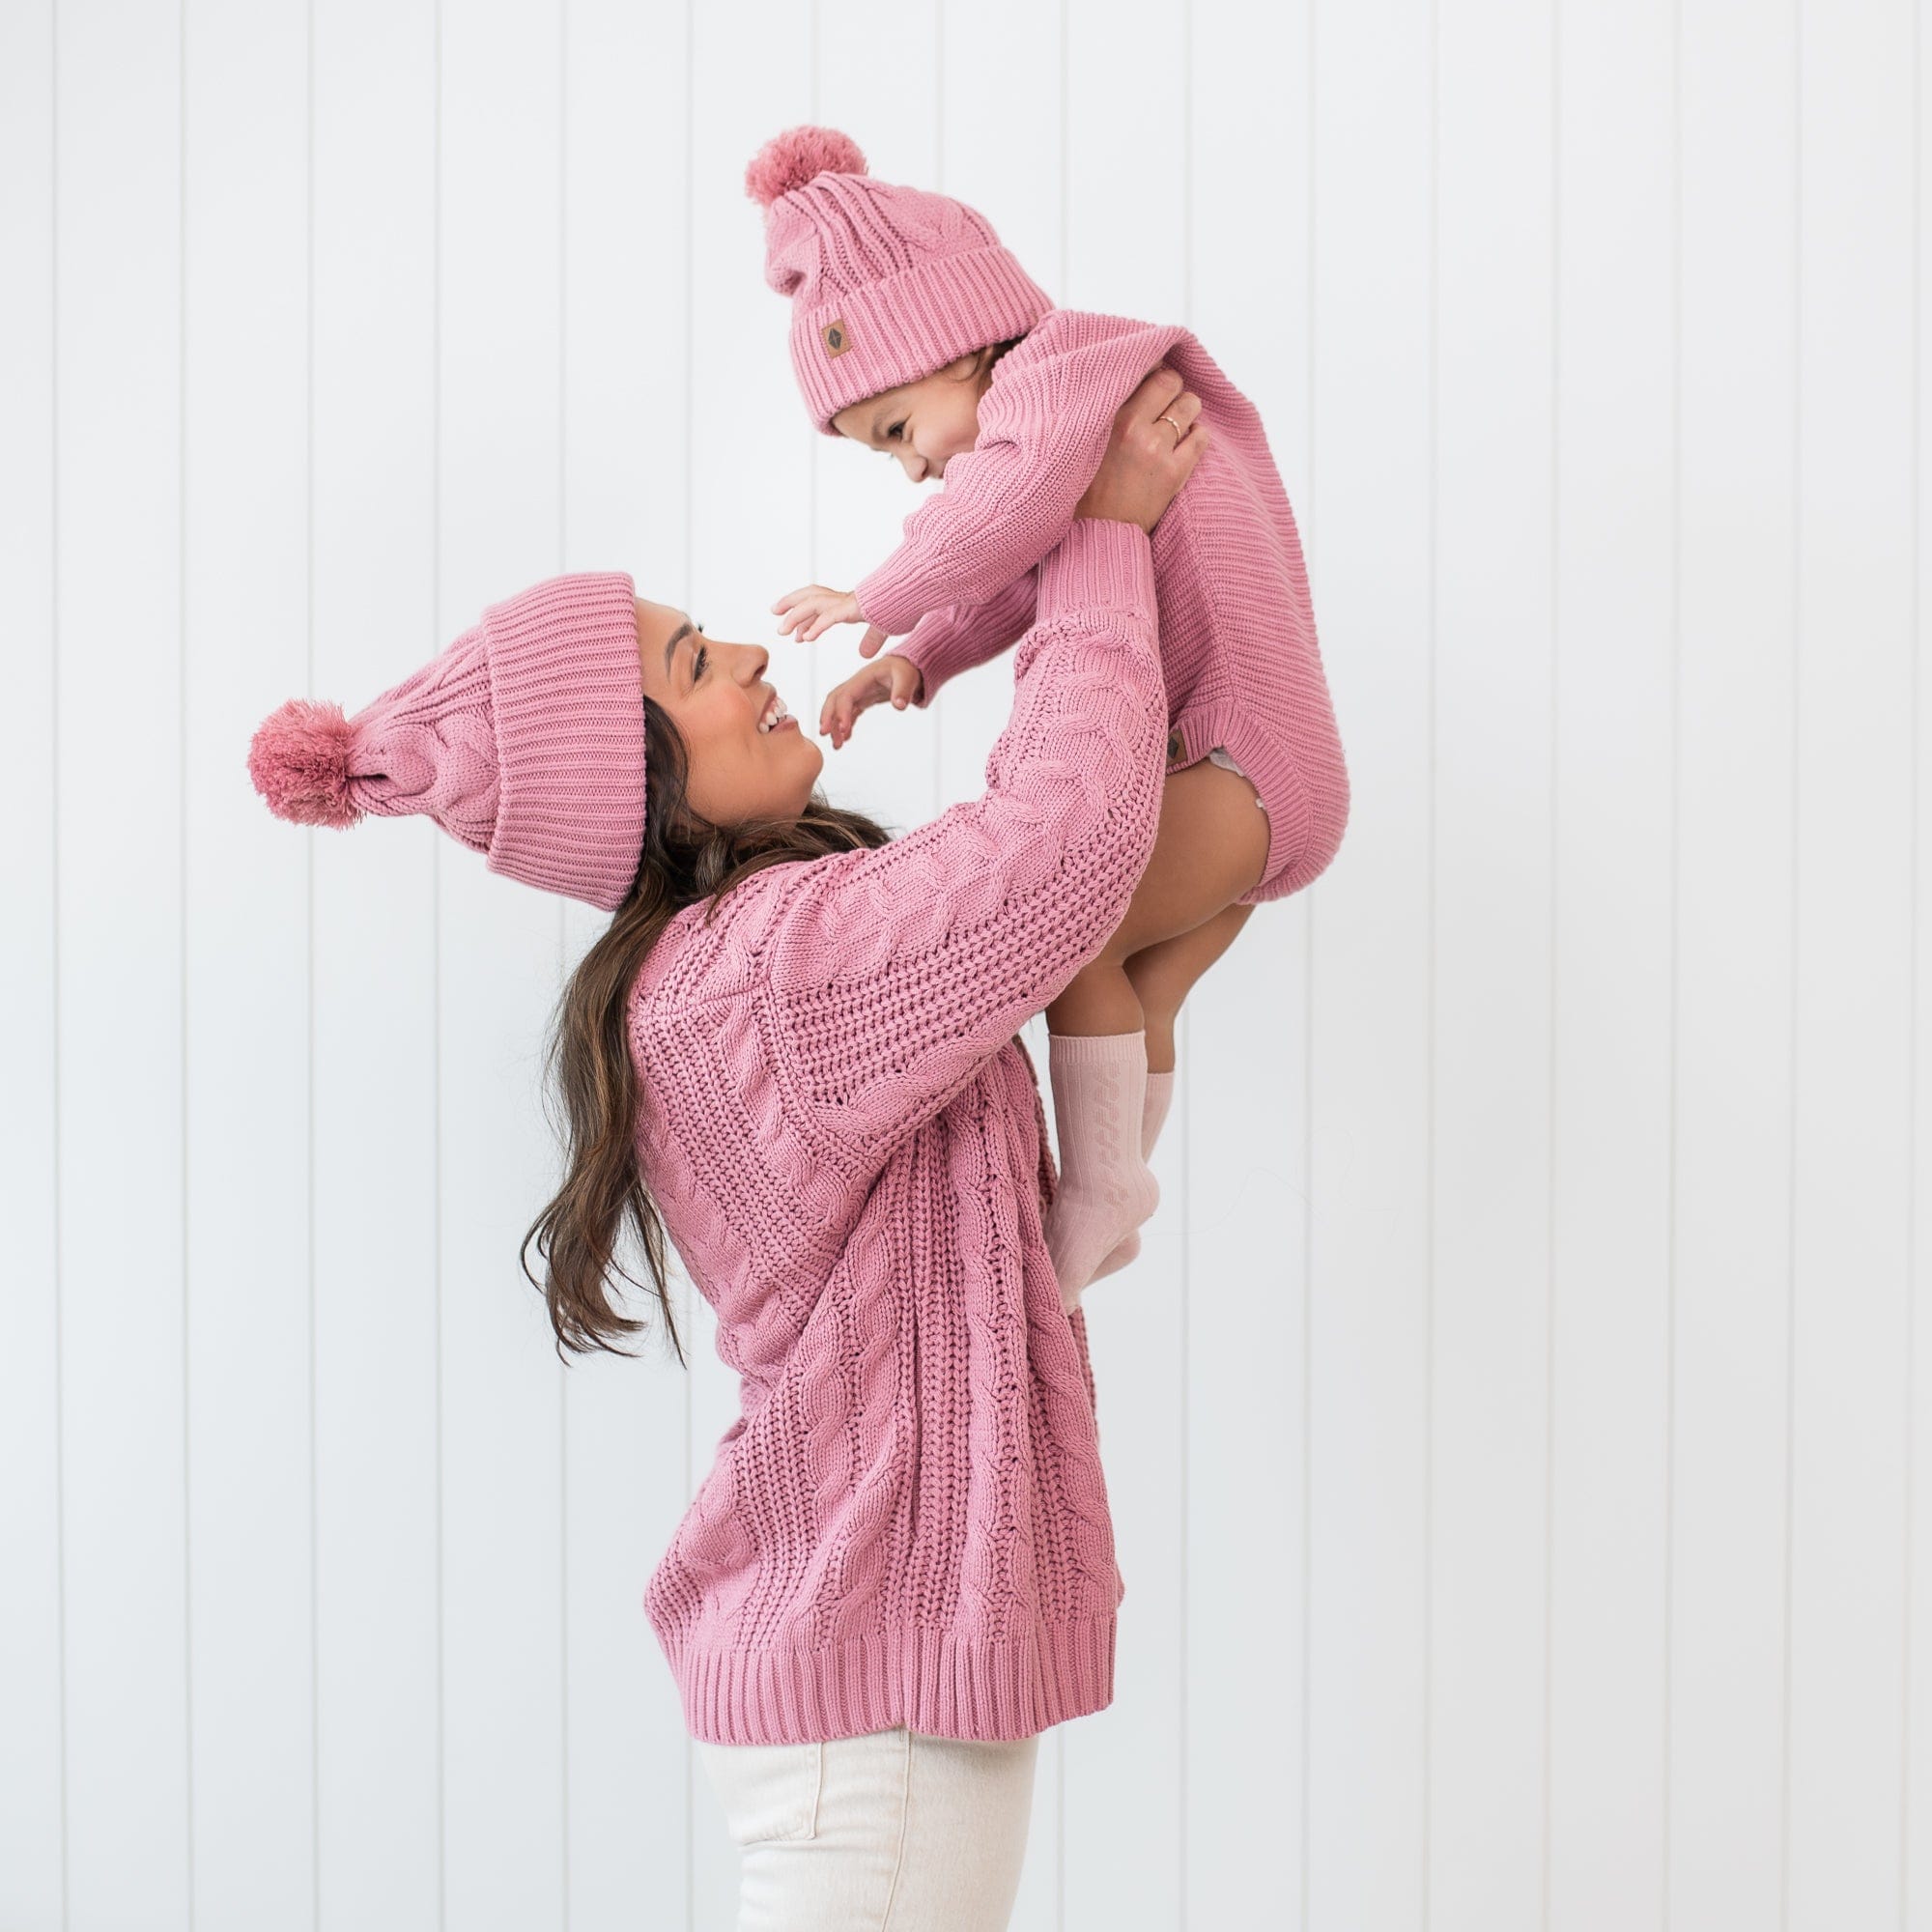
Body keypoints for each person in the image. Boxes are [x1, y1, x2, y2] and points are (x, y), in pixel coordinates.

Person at [246, 367, 1206, 1931]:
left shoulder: (745, 965)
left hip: (875, 1684)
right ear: (636, 771)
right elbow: (1066, 843)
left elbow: (1010, 1218)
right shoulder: (761, 975)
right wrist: (1096, 539)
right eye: (697, 663)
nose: (755, 656)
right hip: (870, 1700)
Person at [744, 125, 1351, 1304]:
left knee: (1071, 929)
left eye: (897, 433)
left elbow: (992, 521)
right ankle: (1111, 1190)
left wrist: (874, 592)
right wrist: (912, 661)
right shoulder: (1069, 414)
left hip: (1237, 774)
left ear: (957, 346)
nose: (916, 472)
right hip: (1268, 775)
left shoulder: (1055, 380)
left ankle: (1099, 1191)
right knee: (1139, 979)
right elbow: (1027, 566)